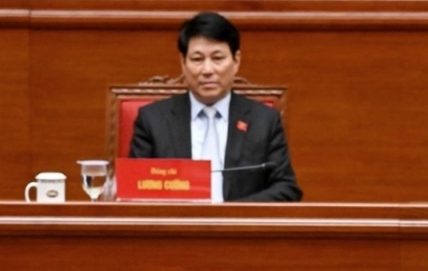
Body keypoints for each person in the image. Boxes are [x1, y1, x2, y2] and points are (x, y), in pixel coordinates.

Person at [129, 12, 302, 203]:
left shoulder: (264, 121)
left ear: (236, 61)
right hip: (176, 229)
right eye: (197, 59)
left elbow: (286, 188)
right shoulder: (153, 120)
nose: (207, 70)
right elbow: (136, 190)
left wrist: (229, 217)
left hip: (239, 229)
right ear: (182, 62)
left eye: (217, 58)